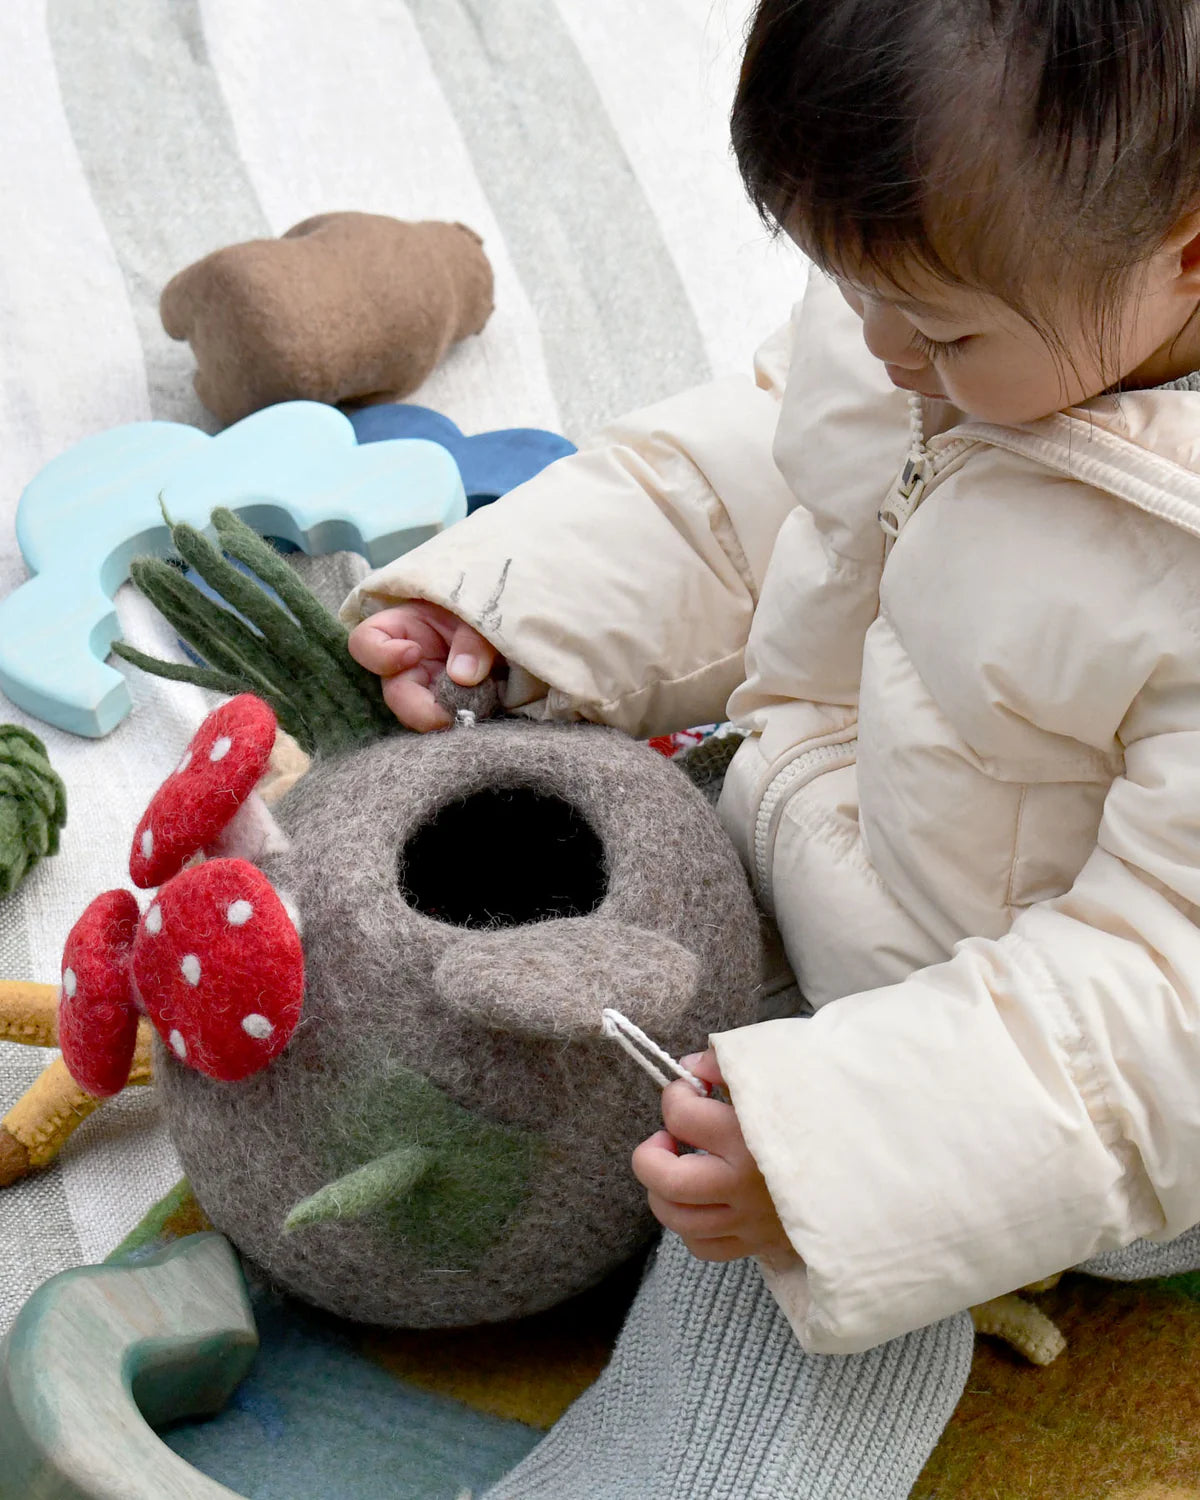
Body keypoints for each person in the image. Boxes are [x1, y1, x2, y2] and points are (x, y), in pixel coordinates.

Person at [343, 2, 1200, 1491]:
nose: (876, 347)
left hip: (1066, 1098)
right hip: (828, 845)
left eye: (934, 327)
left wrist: (838, 1151)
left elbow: (1161, 1002)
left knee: (798, 1299)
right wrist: (523, 603)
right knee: (469, 925)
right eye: (841, 283)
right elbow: (757, 477)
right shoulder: (956, 312)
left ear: (1188, 253)